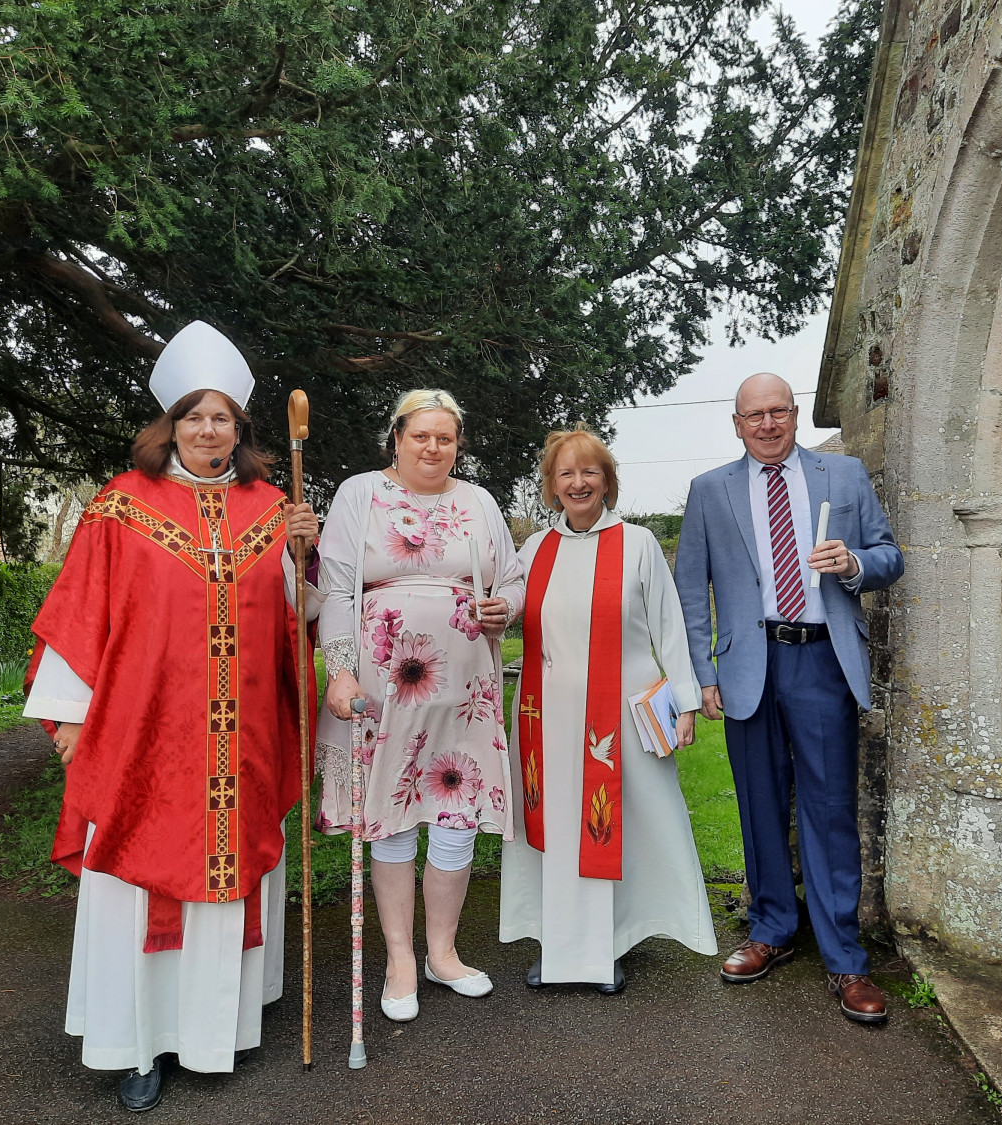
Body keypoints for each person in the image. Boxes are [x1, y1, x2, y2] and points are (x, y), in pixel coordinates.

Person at [22, 321, 322, 1112]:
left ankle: (215, 1034)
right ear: (171, 423)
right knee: (137, 877)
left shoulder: (272, 507)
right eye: (194, 415)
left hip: (242, 740)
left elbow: (297, 619)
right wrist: (69, 716)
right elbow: (81, 608)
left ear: (240, 429)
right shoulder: (122, 505)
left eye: (222, 416)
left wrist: (304, 557)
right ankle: (137, 1044)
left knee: (228, 876)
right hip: (145, 737)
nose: (208, 429)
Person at [674, 372, 904, 1024]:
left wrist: (853, 564)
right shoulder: (710, 490)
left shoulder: (844, 474)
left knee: (829, 809)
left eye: (778, 411)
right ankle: (772, 927)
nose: (768, 424)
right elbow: (691, 589)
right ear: (737, 423)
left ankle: (845, 958)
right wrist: (702, 674)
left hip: (822, 659)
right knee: (759, 803)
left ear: (795, 414)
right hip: (747, 665)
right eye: (755, 415)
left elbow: (890, 556)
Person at [314, 389, 524, 1022]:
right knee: (393, 812)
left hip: (466, 687)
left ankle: (443, 953)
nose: (434, 447)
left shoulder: (479, 501)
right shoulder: (360, 494)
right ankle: (401, 959)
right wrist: (341, 671)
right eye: (421, 436)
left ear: (458, 445)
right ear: (397, 438)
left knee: (457, 811)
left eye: (446, 438)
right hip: (382, 686)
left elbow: (512, 579)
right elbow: (337, 589)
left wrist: (505, 608)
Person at [499, 427, 716, 994]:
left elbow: (669, 626)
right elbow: (505, 610)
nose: (578, 483)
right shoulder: (533, 550)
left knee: (623, 824)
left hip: (620, 714)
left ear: (607, 481)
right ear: (551, 486)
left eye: (589, 471)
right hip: (547, 716)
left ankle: (613, 941)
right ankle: (560, 943)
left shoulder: (637, 544)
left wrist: (685, 702)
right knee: (558, 827)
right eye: (566, 473)